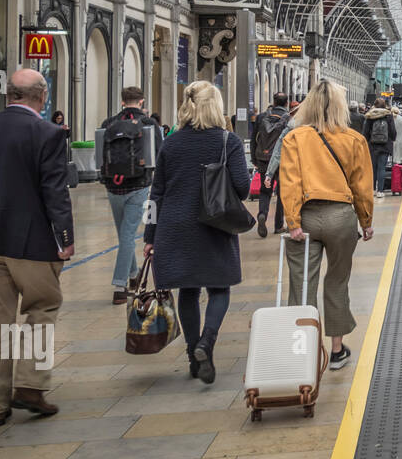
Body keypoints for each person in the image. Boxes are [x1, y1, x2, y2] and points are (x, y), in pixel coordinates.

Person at [0, 69, 75, 425]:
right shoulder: (48, 133)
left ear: (8, 95)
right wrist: (65, 240)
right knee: (42, 307)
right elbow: (55, 192)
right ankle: (30, 386)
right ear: (41, 96)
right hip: (33, 244)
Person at [143, 81, 250, 384]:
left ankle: (193, 356)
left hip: (174, 227)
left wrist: (149, 237)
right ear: (215, 105)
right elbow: (242, 188)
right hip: (214, 225)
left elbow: (156, 192)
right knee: (220, 288)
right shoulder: (227, 142)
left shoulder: (171, 142)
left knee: (188, 291)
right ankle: (207, 342)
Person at [279, 80, 374, 370]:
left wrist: (293, 221)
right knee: (337, 281)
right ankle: (336, 351)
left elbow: (291, 183)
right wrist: (366, 221)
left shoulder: (294, 138)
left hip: (306, 216)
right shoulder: (354, 139)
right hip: (342, 217)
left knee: (301, 283)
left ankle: (303, 349)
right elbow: (362, 187)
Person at [99, 86, 163, 304]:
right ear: (142, 102)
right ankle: (120, 285)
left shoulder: (108, 124)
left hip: (112, 187)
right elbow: (159, 154)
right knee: (127, 236)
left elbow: (101, 155)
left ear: (122, 101)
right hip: (139, 185)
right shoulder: (149, 124)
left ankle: (134, 275)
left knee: (123, 235)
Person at [251, 92, 291, 238]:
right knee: (281, 193)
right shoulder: (288, 118)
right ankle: (278, 225)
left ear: (273, 102)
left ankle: (262, 214)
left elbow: (254, 137)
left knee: (264, 190)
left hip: (263, 158)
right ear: (286, 103)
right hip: (282, 160)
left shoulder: (262, 117)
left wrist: (255, 158)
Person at [363, 96, 396, 198]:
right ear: (384, 105)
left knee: (373, 168)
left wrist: (368, 141)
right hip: (385, 145)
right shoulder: (388, 115)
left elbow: (366, 131)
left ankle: (372, 189)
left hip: (372, 145)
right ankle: (380, 191)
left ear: (375, 105)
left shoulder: (370, 115)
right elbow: (392, 131)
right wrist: (392, 139)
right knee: (382, 168)